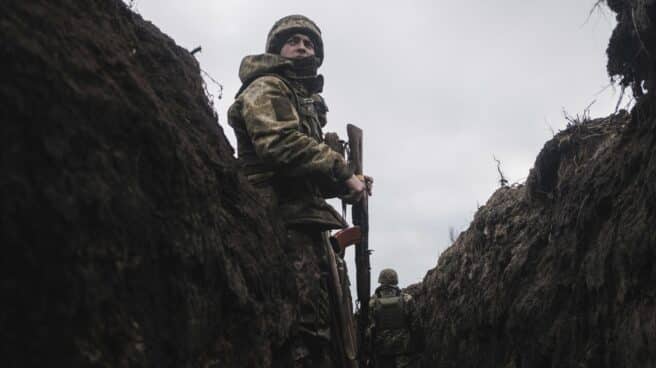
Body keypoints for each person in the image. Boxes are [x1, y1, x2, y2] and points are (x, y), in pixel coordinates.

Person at [227, 14, 368, 368]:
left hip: (302, 221)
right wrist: (342, 169)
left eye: (309, 43)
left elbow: (305, 173)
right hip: (276, 221)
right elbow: (279, 144)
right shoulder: (268, 86)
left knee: (320, 329)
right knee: (298, 331)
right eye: (294, 41)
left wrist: (346, 186)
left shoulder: (300, 97)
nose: (303, 47)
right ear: (277, 49)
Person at [368, 269, 424, 368]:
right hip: (404, 349)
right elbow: (416, 325)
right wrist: (418, 347)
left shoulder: (372, 303)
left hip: (382, 350)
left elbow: (369, 330)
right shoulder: (407, 299)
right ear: (395, 281)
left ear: (380, 281)